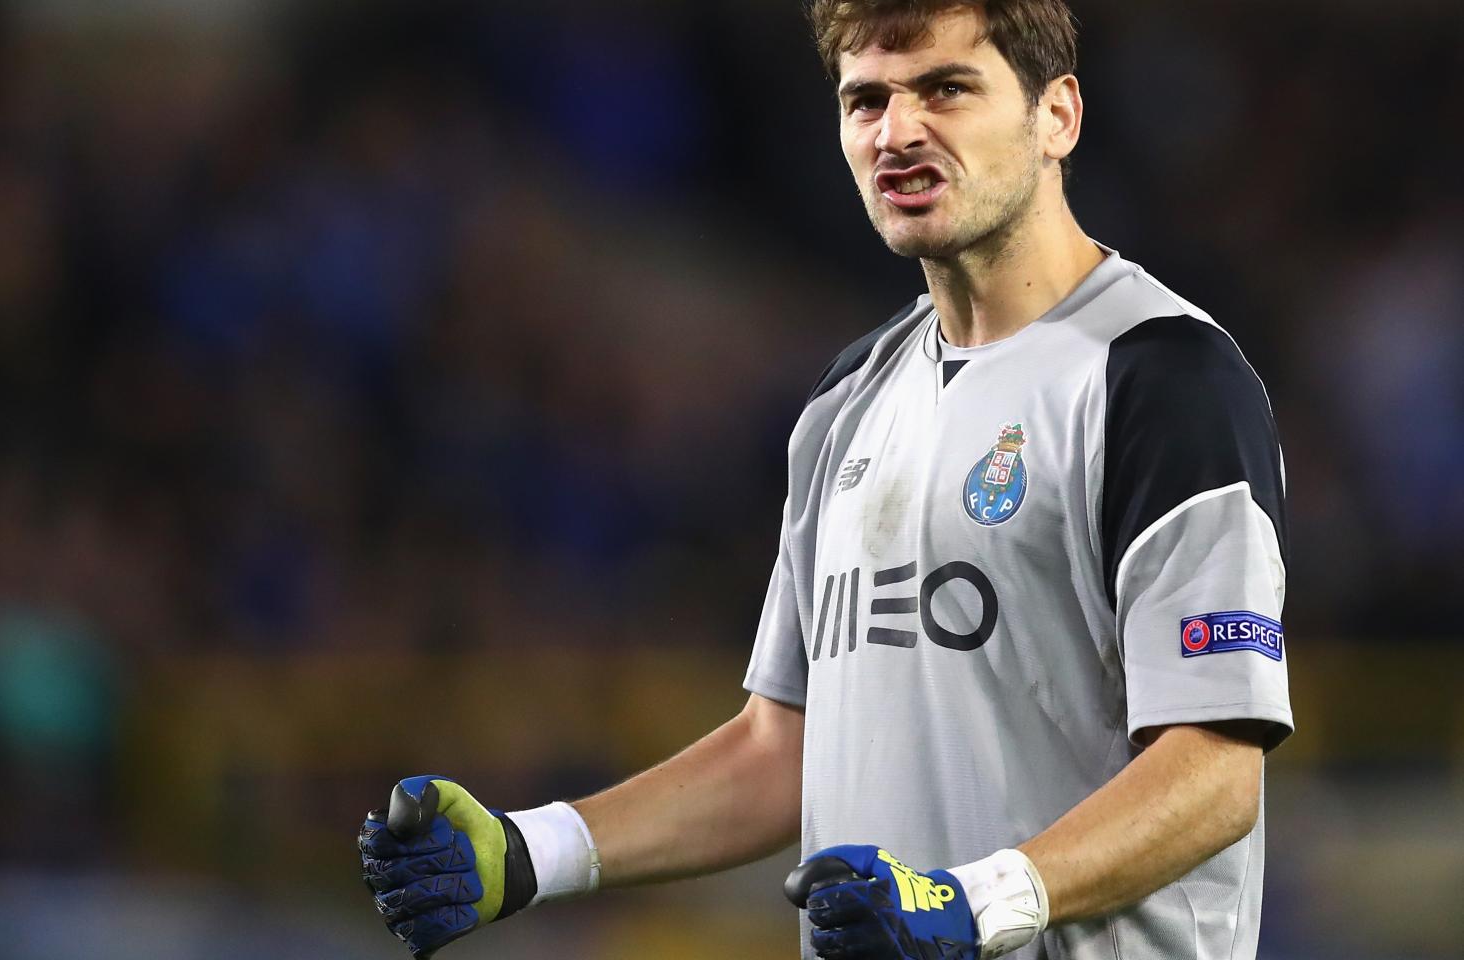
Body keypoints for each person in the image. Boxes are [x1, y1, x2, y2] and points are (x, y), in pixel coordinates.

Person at [358, 2, 1292, 958]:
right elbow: (783, 747)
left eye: (947, 89)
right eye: (867, 101)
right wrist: (534, 849)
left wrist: (979, 902)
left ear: (1058, 115)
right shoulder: (847, 400)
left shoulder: (1162, 378)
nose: (897, 132)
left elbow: (1215, 770)